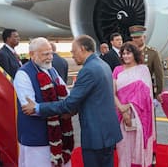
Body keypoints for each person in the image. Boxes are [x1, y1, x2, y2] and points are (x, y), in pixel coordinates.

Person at [22, 35, 123, 167]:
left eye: (73, 51)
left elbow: (69, 103)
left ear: (82, 49)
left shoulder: (88, 70)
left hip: (96, 136)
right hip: (108, 133)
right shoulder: (102, 64)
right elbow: (92, 98)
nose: (72, 55)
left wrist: (38, 108)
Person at [13, 37, 74, 167]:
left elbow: (67, 97)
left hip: (57, 134)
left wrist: (62, 106)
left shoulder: (52, 70)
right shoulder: (23, 75)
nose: (50, 57)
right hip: (36, 138)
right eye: (45, 54)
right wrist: (63, 107)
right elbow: (30, 109)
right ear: (32, 55)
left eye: (51, 53)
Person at [113, 42, 155, 167]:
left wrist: (129, 107)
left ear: (135, 54)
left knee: (138, 145)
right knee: (123, 146)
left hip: (139, 115)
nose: (125, 56)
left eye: (128, 53)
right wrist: (122, 109)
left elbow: (146, 95)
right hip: (121, 115)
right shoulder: (117, 70)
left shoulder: (143, 70)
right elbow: (112, 92)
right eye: (123, 53)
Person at [129, 25, 163, 98]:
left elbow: (159, 75)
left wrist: (158, 93)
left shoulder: (152, 53)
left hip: (146, 91)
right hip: (130, 92)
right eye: (133, 38)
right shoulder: (128, 53)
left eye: (138, 37)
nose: (135, 40)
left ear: (144, 37)